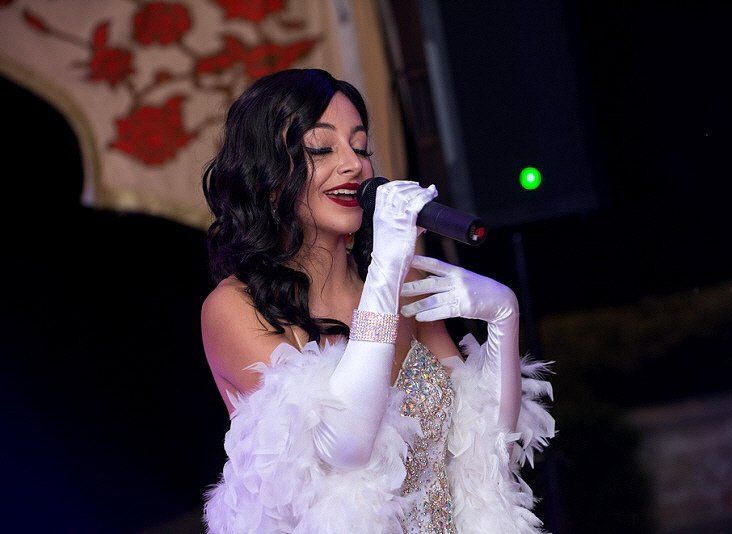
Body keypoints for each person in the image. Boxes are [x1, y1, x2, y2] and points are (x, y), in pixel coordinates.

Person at [200, 68, 554, 534]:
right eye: (323, 149)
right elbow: (345, 444)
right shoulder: (235, 307)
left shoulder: (400, 275)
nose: (354, 165)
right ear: (267, 175)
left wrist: (505, 318)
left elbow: (490, 460)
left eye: (361, 147)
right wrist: (386, 268)